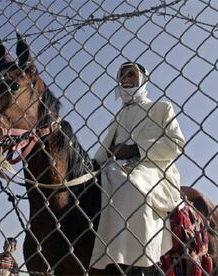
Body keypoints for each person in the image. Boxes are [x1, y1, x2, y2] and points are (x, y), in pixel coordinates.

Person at [89, 62, 185, 275]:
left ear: (143, 79)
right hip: (113, 167)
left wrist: (136, 149)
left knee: (133, 189)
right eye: (122, 76)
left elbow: (176, 144)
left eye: (131, 74)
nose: (125, 79)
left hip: (152, 168)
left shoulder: (162, 108)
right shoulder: (119, 116)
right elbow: (105, 151)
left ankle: (142, 265)